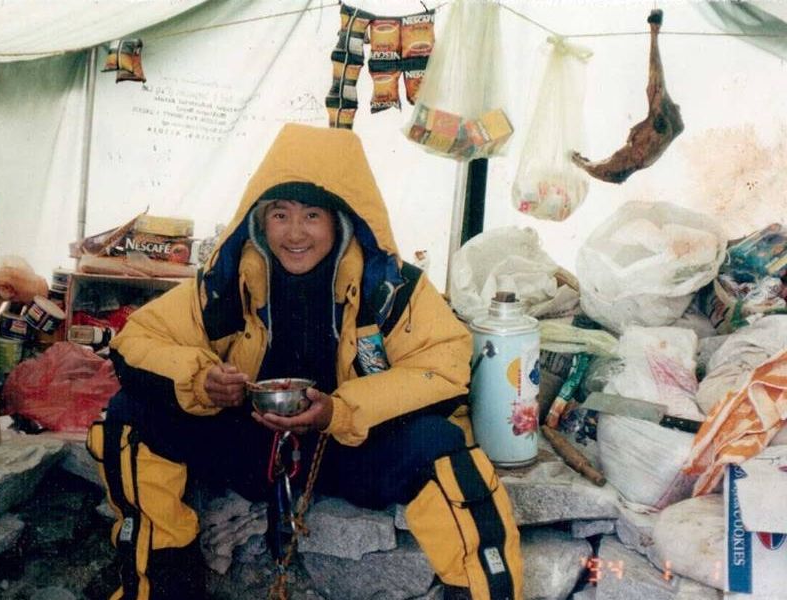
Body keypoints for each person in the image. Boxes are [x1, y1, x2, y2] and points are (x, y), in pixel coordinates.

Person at [87, 123, 523, 600]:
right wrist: (202, 381)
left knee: (440, 445)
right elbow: (138, 341)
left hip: (350, 451)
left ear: (342, 220)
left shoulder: (392, 287)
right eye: (280, 214)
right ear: (259, 220)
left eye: (312, 215)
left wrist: (341, 412)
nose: (295, 233)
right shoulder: (226, 283)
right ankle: (158, 585)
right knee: (129, 415)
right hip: (253, 446)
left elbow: (444, 366)